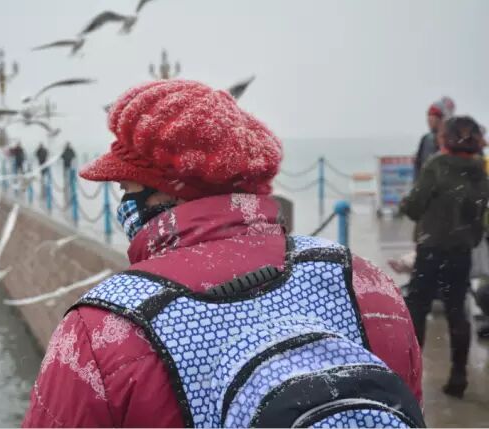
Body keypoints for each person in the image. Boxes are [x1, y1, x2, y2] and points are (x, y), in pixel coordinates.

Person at [22, 80, 424, 428]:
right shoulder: (362, 283)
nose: (124, 203)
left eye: (127, 189)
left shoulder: (104, 328)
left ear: (167, 192)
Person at [401, 116, 489, 398]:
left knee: (417, 308)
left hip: (431, 248)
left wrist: (406, 203)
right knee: (457, 310)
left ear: (446, 138)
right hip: (461, 251)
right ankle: (459, 375)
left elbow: (414, 207)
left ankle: (411, 375)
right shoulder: (479, 170)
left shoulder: (437, 165)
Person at [414, 101, 445, 179]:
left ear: (440, 119)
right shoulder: (425, 139)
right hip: (427, 181)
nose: (429, 122)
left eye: (432, 119)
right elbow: (418, 163)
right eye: (428, 119)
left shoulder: (449, 139)